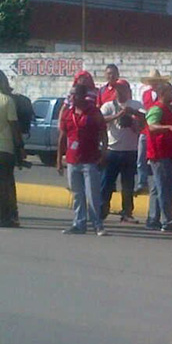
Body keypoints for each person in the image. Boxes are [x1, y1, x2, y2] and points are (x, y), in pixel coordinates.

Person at [57, 84, 108, 235]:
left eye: (74, 95)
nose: (71, 97)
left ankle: (98, 225)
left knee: (93, 195)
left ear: (82, 96)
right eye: (70, 94)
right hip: (73, 160)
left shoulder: (93, 112)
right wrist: (59, 159)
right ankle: (79, 223)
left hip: (90, 160)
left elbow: (103, 133)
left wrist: (104, 153)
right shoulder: (68, 113)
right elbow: (62, 137)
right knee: (77, 194)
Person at [100, 80, 145, 223]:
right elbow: (100, 120)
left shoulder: (136, 105)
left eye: (122, 89)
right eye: (117, 89)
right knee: (106, 183)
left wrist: (133, 115)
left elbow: (146, 118)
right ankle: (101, 210)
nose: (119, 92)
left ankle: (127, 212)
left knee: (128, 184)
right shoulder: (108, 105)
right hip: (112, 149)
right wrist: (117, 116)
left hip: (130, 150)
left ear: (128, 90)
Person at [145, 82, 172, 231]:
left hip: (167, 153)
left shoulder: (168, 108)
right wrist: (170, 128)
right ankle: (168, 221)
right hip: (160, 154)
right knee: (165, 188)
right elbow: (151, 126)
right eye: (171, 92)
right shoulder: (157, 109)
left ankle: (153, 218)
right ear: (163, 93)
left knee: (157, 188)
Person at [136, 69, 171, 195]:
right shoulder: (145, 94)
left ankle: (147, 181)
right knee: (140, 158)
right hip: (146, 128)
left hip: (156, 128)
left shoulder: (163, 95)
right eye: (152, 81)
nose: (154, 84)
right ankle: (142, 181)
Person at [0, 70, 25, 228]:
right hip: (5, 149)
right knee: (7, 184)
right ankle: (9, 216)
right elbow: (14, 128)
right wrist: (20, 148)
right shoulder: (7, 101)